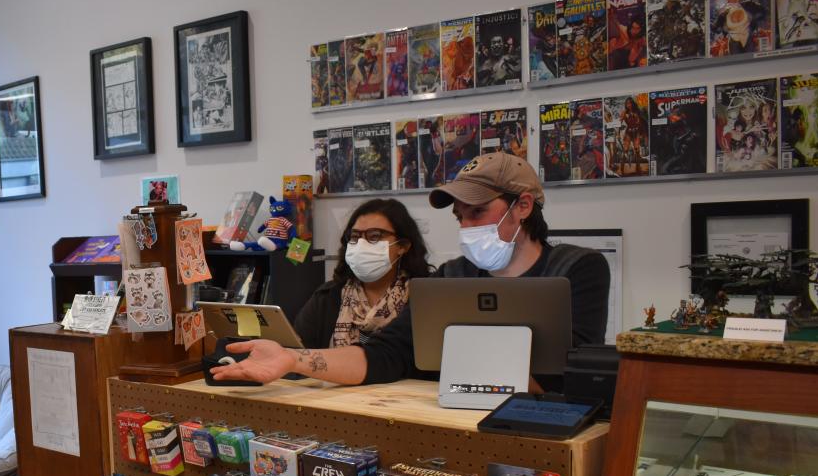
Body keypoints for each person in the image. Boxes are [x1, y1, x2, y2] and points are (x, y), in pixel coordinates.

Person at [212, 151, 609, 388]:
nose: (468, 227)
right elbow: (387, 353)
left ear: (522, 206)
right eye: (461, 217)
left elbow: (571, 375)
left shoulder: (578, 269)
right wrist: (292, 359)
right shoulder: (450, 280)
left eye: (479, 213)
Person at [293, 198, 431, 349]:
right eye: (355, 237)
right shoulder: (327, 297)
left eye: (375, 236)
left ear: (403, 246)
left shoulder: (423, 298)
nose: (361, 245)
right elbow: (298, 352)